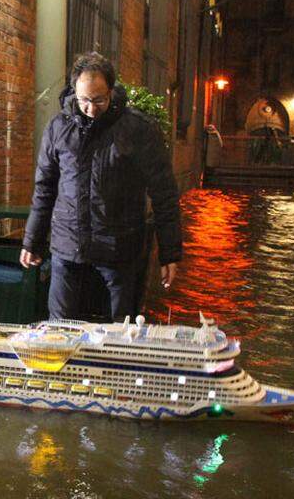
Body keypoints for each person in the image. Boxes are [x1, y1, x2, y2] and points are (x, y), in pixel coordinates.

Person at [21, 52, 182, 322]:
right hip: (67, 245)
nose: (92, 109)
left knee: (121, 332)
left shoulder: (137, 130)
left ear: (111, 90)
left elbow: (164, 193)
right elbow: (45, 188)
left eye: (99, 100)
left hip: (118, 248)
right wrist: (32, 240)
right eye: (85, 100)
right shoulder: (58, 128)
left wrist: (170, 253)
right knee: (59, 329)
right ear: (74, 92)